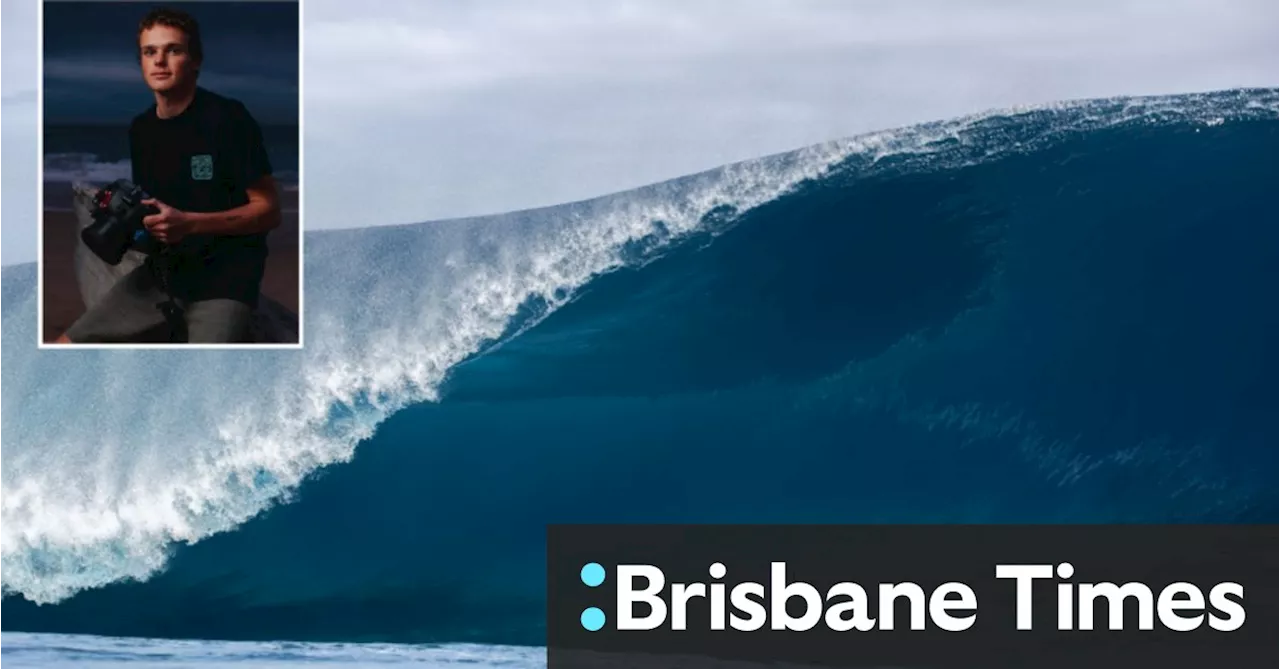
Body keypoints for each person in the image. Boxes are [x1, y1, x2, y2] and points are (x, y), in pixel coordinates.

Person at [56, 6, 281, 344]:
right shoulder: (141, 129)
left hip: (223, 283)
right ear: (142, 63)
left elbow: (268, 210)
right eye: (150, 52)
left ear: (195, 61)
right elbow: (159, 202)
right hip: (162, 277)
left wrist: (190, 223)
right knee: (64, 346)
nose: (159, 61)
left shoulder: (228, 118)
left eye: (173, 50)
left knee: (203, 377)